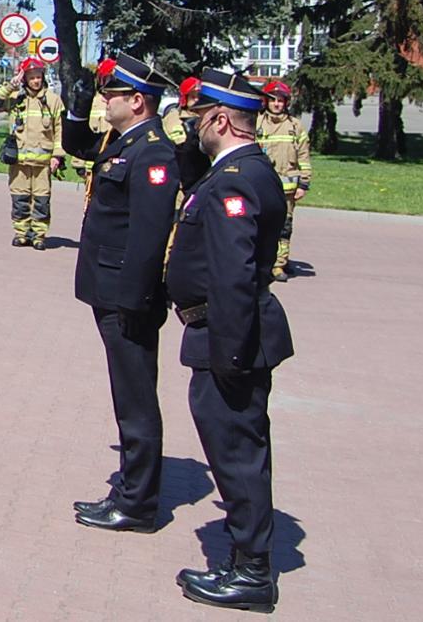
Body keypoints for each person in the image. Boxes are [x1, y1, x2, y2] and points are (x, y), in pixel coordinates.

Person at [166, 69, 294, 613]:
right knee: (236, 451)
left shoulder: (237, 180)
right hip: (224, 331)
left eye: (199, 117)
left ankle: (251, 574)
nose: (192, 126)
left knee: (238, 455)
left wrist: (230, 354)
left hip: (229, 335)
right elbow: (192, 175)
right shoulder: (236, 170)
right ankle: (246, 560)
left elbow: (234, 276)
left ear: (220, 119)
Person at [58, 52, 179, 536]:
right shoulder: (125, 141)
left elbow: (149, 236)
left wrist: (133, 300)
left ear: (138, 101)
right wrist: (75, 107)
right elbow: (79, 145)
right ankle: (130, 490)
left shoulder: (153, 153)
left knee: (136, 400)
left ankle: (138, 504)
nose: (104, 100)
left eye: (113, 94)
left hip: (128, 298)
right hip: (111, 291)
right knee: (127, 397)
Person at [0, 59, 66, 248]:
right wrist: (11, 85)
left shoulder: (53, 100)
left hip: (43, 164)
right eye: (31, 77)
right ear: (25, 79)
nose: (36, 81)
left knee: (41, 201)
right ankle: (21, 233)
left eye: (38, 77)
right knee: (20, 199)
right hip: (19, 162)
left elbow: (60, 130)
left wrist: (57, 156)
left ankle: (38, 235)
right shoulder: (16, 98)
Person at [255, 80, 311, 282]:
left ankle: (279, 264)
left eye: (280, 100)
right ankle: (260, 262)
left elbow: (304, 157)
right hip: (261, 188)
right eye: (273, 100)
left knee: (284, 228)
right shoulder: (257, 124)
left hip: (287, 190)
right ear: (266, 102)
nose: (277, 104)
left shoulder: (295, 127)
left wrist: (304, 184)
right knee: (259, 226)